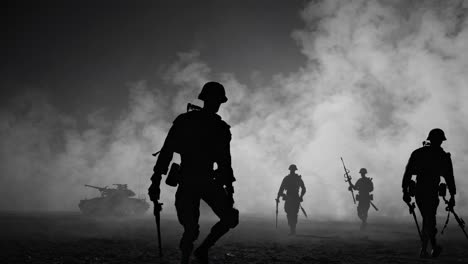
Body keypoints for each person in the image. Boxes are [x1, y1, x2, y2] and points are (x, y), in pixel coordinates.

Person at [148, 81, 239, 264]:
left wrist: (229, 189)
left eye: (218, 101)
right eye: (214, 100)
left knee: (230, 218)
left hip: (205, 180)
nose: (216, 105)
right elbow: (167, 152)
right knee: (191, 229)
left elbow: (224, 162)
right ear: (206, 100)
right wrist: (155, 181)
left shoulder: (219, 128)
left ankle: (202, 250)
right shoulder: (186, 122)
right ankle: (185, 259)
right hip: (189, 180)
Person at [402, 128, 456, 258]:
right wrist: (452, 196)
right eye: (439, 140)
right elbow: (449, 177)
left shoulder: (419, 153)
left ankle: (428, 248)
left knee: (428, 219)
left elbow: (408, 173)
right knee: (429, 219)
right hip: (429, 192)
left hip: (422, 191)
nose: (440, 143)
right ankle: (427, 248)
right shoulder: (442, 156)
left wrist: (405, 191)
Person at [277, 164, 306, 235]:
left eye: (293, 170)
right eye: (292, 170)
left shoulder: (288, 178)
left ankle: (292, 229)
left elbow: (303, 189)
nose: (292, 171)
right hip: (292, 198)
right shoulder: (294, 178)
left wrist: (301, 196)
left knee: (291, 213)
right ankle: (292, 229)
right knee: (290, 213)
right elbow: (281, 189)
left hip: (292, 198)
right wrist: (301, 197)